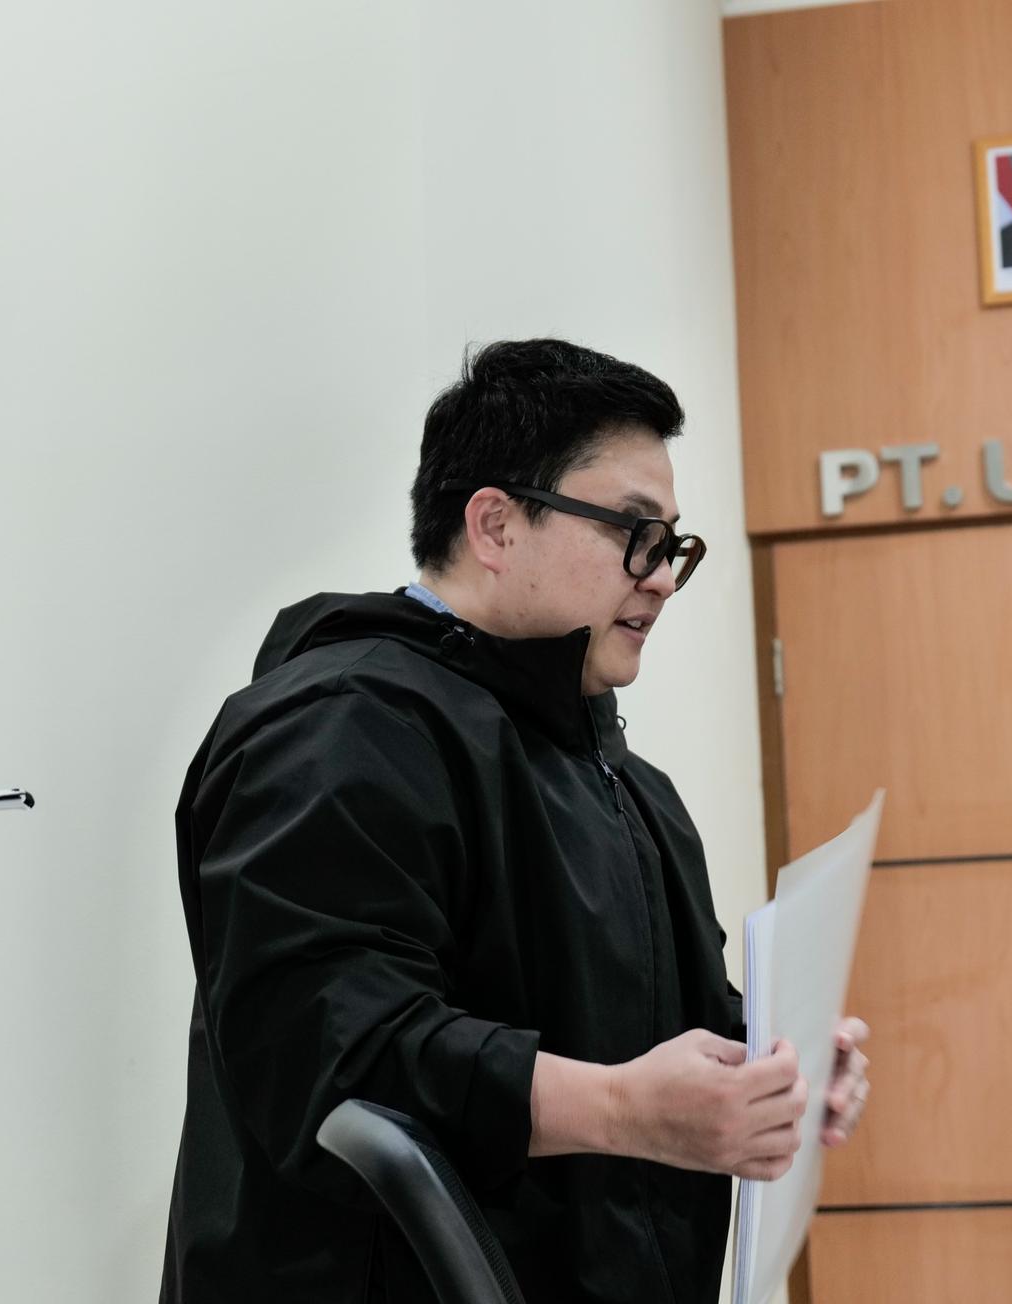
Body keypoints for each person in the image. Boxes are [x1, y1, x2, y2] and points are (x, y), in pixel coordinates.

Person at [162, 339, 871, 1302]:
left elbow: (633, 1021)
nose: (661, 577)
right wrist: (620, 1108)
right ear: (495, 525)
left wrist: (772, 1065)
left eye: (672, 545)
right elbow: (330, 1058)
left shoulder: (622, 776)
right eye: (635, 533)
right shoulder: (337, 730)